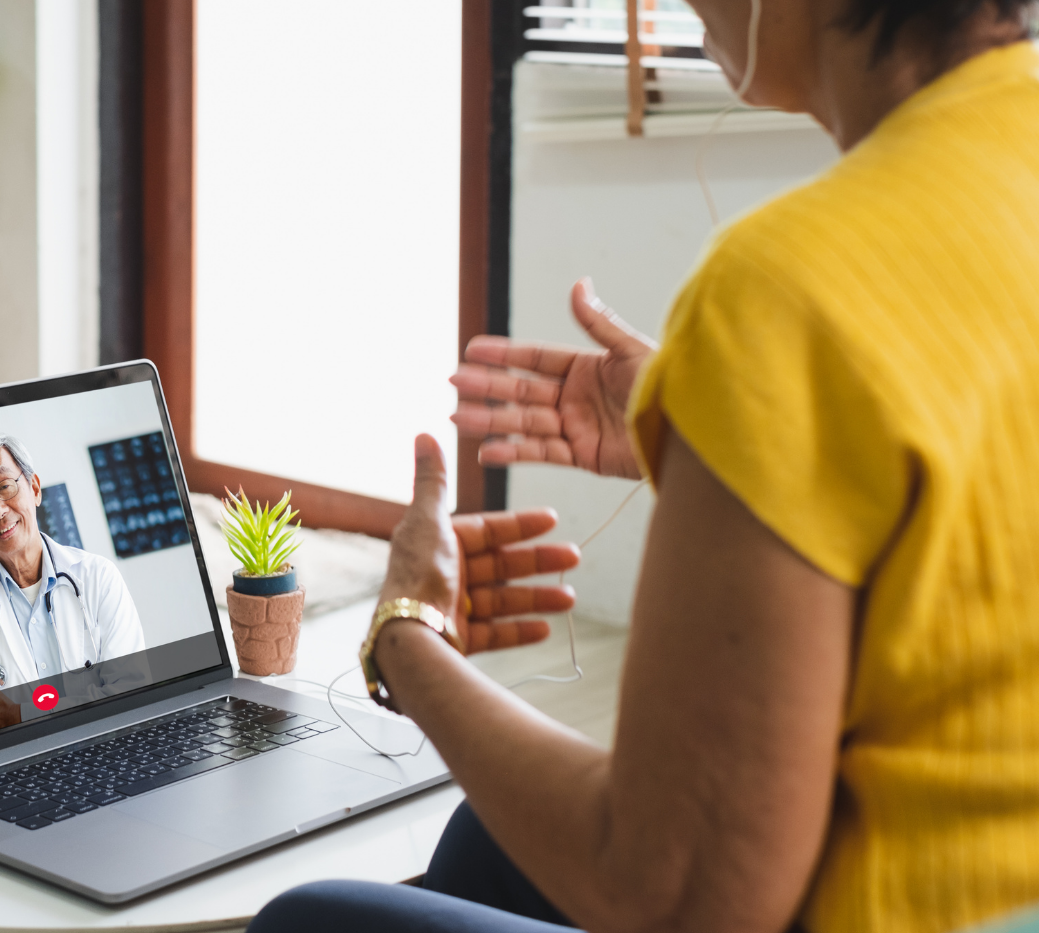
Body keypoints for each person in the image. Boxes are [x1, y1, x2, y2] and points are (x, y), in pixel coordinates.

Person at [250, 1, 1039, 931]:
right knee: (482, 841)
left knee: (311, 919)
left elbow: (677, 893)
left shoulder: (791, 285)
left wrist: (406, 638)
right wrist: (727, 432)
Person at [0, 431, 145, 739]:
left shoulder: (98, 577)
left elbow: (130, 698)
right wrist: (86, 700)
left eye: (5, 487)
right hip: (26, 778)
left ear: (34, 488)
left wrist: (20, 714)